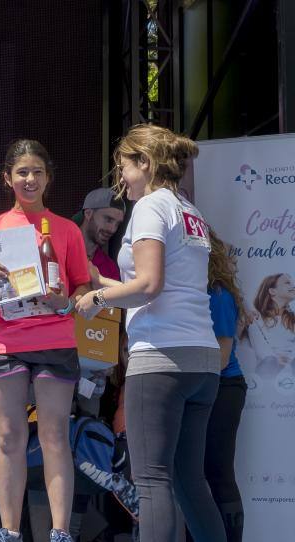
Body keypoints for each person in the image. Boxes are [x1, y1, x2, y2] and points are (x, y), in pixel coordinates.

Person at [76, 123, 226, 542]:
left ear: (144, 162)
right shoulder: (188, 209)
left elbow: (148, 285)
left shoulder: (151, 207)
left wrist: (97, 301)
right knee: (189, 483)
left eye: (123, 166)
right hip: (201, 359)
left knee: (151, 481)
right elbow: (163, 284)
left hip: (161, 358)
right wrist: (98, 282)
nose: (121, 178)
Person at [0, 140, 91, 542]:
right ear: (7, 179)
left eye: (37, 172)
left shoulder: (66, 229)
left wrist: (65, 299)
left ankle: (60, 531)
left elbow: (81, 285)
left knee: (53, 435)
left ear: (48, 177)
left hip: (54, 338)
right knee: (10, 436)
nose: (29, 180)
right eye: (21, 173)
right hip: (5, 340)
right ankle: (9, 531)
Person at [199, 230, 247, 542]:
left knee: (218, 472)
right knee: (200, 475)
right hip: (208, 387)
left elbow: (222, 357)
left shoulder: (217, 294)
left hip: (224, 387)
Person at [247, 273, 295, 377]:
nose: (293, 286)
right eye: (288, 283)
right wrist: (277, 359)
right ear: (272, 291)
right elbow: (262, 351)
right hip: (268, 373)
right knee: (270, 361)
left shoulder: (293, 319)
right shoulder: (256, 318)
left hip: (291, 373)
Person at [73, 187, 125, 281]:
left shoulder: (110, 268)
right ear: (88, 213)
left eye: (117, 224)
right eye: (108, 219)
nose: (113, 229)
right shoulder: (61, 252)